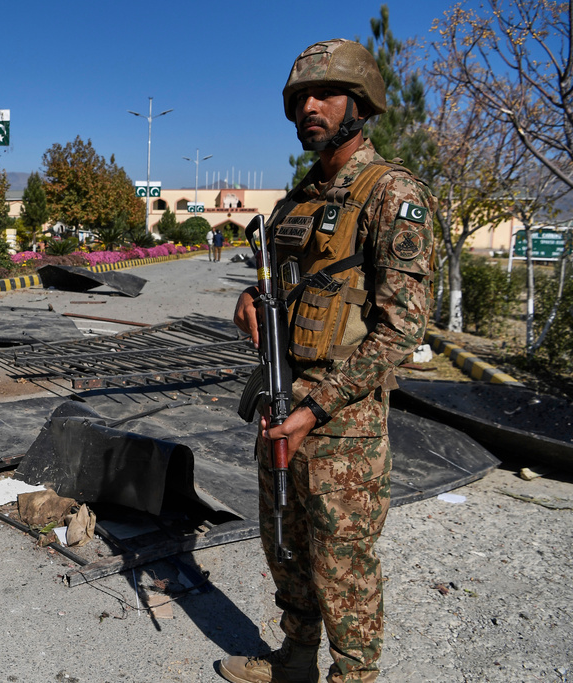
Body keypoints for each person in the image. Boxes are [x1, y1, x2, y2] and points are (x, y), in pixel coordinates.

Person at [220, 39, 435, 683]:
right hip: (281, 400)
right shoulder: (302, 197)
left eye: (325, 95)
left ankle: (353, 675)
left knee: (342, 564)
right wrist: (250, 302)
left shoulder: (391, 193)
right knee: (285, 547)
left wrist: (316, 407)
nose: (309, 107)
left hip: (339, 422)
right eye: (300, 100)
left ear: (360, 104)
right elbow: (282, 284)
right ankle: (295, 659)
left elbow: (402, 329)